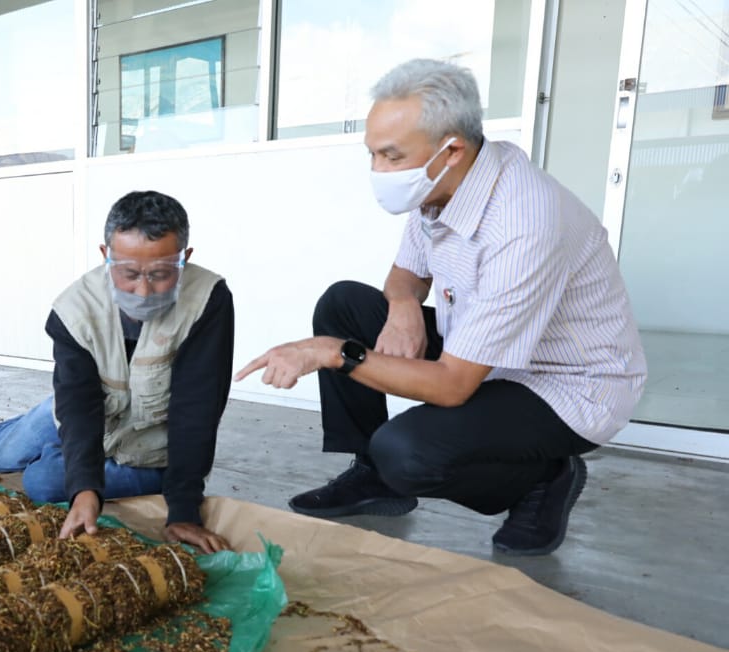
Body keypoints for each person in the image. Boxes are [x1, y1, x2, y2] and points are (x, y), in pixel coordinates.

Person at [235, 59, 647, 557]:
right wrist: (404, 302)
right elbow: (406, 273)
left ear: (450, 150)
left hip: (563, 385)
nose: (379, 172)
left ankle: (544, 477)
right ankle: (372, 476)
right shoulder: (443, 187)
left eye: (391, 156)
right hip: (482, 351)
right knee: (344, 303)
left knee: (407, 453)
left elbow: (453, 386)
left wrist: (333, 353)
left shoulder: (524, 220)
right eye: (372, 155)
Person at [0, 191, 235, 554]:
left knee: (43, 481)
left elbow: (197, 411)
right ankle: (61, 433)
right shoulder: (74, 309)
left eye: (161, 274)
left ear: (184, 259)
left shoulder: (209, 300)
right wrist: (84, 486)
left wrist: (182, 511)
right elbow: (81, 403)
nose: (143, 290)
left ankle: (65, 453)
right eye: (128, 274)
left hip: (151, 440)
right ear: (105, 256)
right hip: (93, 407)